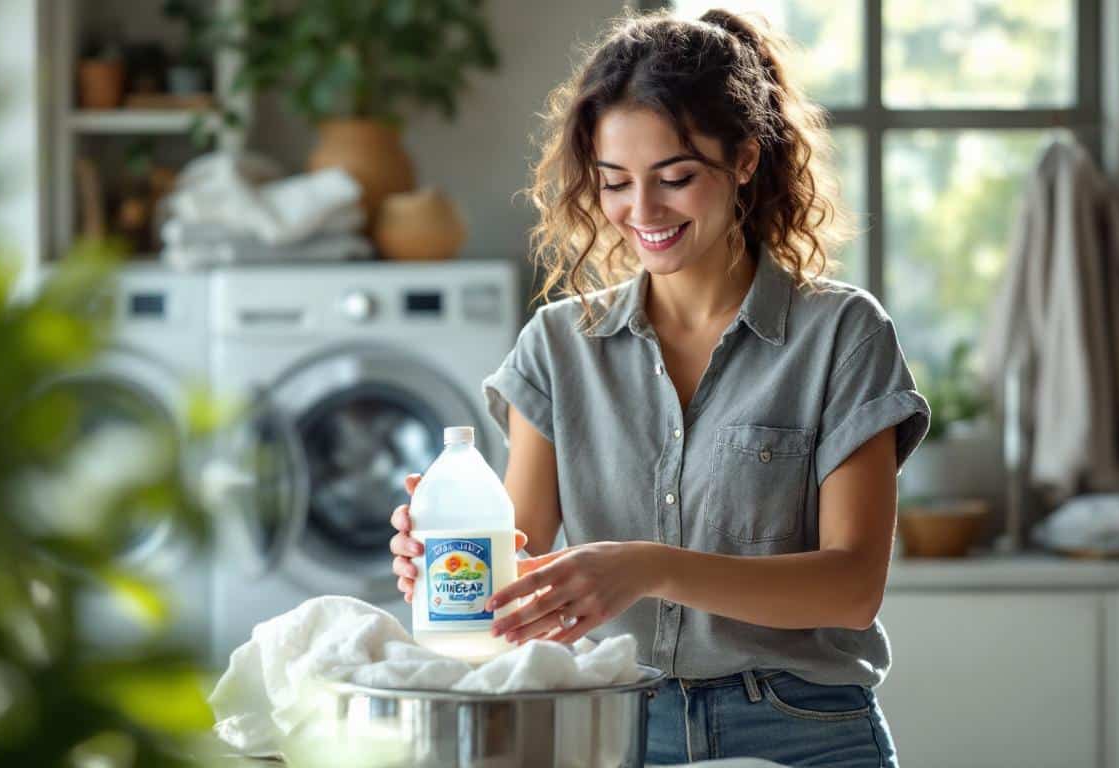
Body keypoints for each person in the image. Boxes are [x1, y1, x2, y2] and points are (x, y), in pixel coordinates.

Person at [389, 8, 928, 766]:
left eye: (675, 178)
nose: (641, 213)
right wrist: (446, 560)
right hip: (611, 728)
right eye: (615, 183)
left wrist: (649, 566)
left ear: (743, 159)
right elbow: (519, 567)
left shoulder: (840, 334)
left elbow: (850, 588)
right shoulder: (556, 347)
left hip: (802, 730)